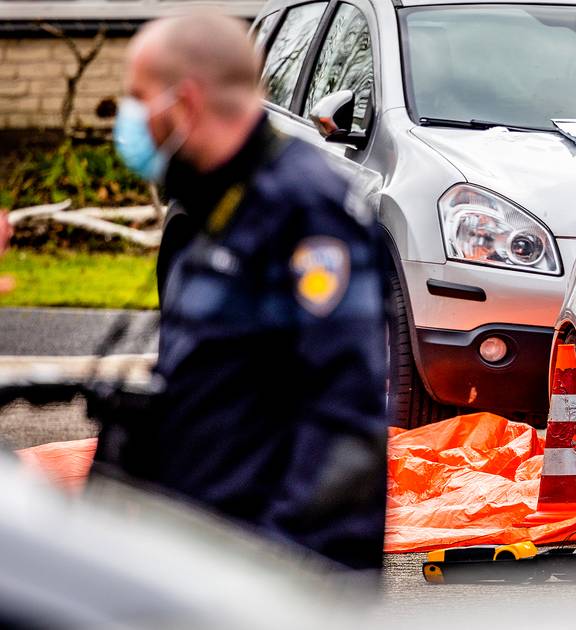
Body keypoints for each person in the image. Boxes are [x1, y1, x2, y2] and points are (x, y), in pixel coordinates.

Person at [102, 11, 390, 574]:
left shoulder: (307, 211)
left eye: (139, 97)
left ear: (185, 102)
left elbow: (345, 420)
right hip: (200, 546)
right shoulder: (213, 204)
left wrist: (274, 568)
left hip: (264, 569)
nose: (130, 118)